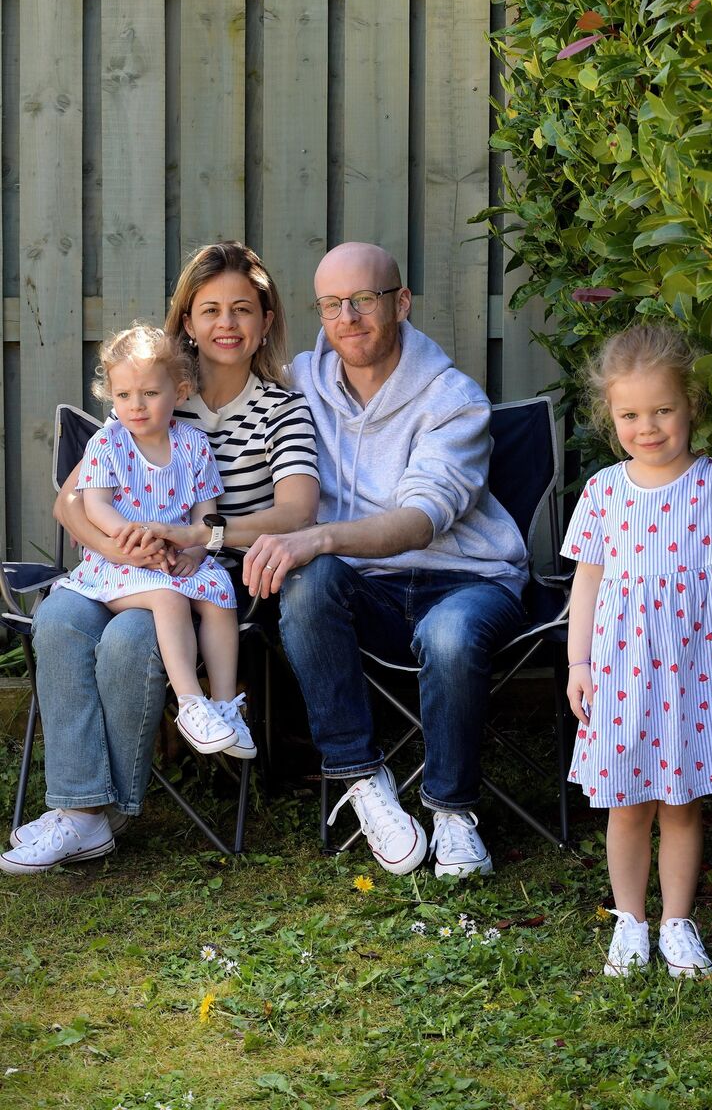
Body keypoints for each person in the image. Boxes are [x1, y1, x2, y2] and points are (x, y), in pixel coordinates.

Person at [1, 242, 319, 876]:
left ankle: (100, 811)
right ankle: (79, 810)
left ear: (265, 320)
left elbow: (295, 511)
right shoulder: (148, 391)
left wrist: (197, 540)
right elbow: (71, 507)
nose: (226, 324)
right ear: (187, 323)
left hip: (197, 576)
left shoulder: (279, 409)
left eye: (242, 310)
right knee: (60, 622)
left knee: (128, 640)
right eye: (210, 310)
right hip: (118, 563)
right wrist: (125, 547)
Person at [242, 241, 529, 879]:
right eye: (332, 305)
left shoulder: (452, 397)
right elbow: (218, 403)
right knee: (307, 584)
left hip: (465, 579)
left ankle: (452, 813)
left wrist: (319, 537)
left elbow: (422, 519)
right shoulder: (299, 385)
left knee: (449, 636)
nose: (348, 316)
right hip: (365, 591)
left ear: (399, 302)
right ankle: (363, 779)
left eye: (364, 299)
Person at [562, 322, 712, 978]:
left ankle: (676, 925)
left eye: (663, 410)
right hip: (623, 676)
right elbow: (588, 583)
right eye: (630, 414)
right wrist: (579, 665)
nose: (648, 427)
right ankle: (630, 923)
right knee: (628, 806)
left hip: (695, 679)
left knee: (684, 807)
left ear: (690, 405)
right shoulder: (605, 491)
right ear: (610, 416)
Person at [54, 323, 251, 761]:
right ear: (111, 397)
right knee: (168, 599)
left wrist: (197, 552)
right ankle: (190, 704)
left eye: (149, 393)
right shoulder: (107, 443)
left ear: (179, 392)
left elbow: (206, 516)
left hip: (177, 555)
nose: (135, 406)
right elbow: (95, 506)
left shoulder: (194, 445)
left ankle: (224, 707)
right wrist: (130, 537)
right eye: (123, 396)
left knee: (220, 593)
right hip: (121, 560)